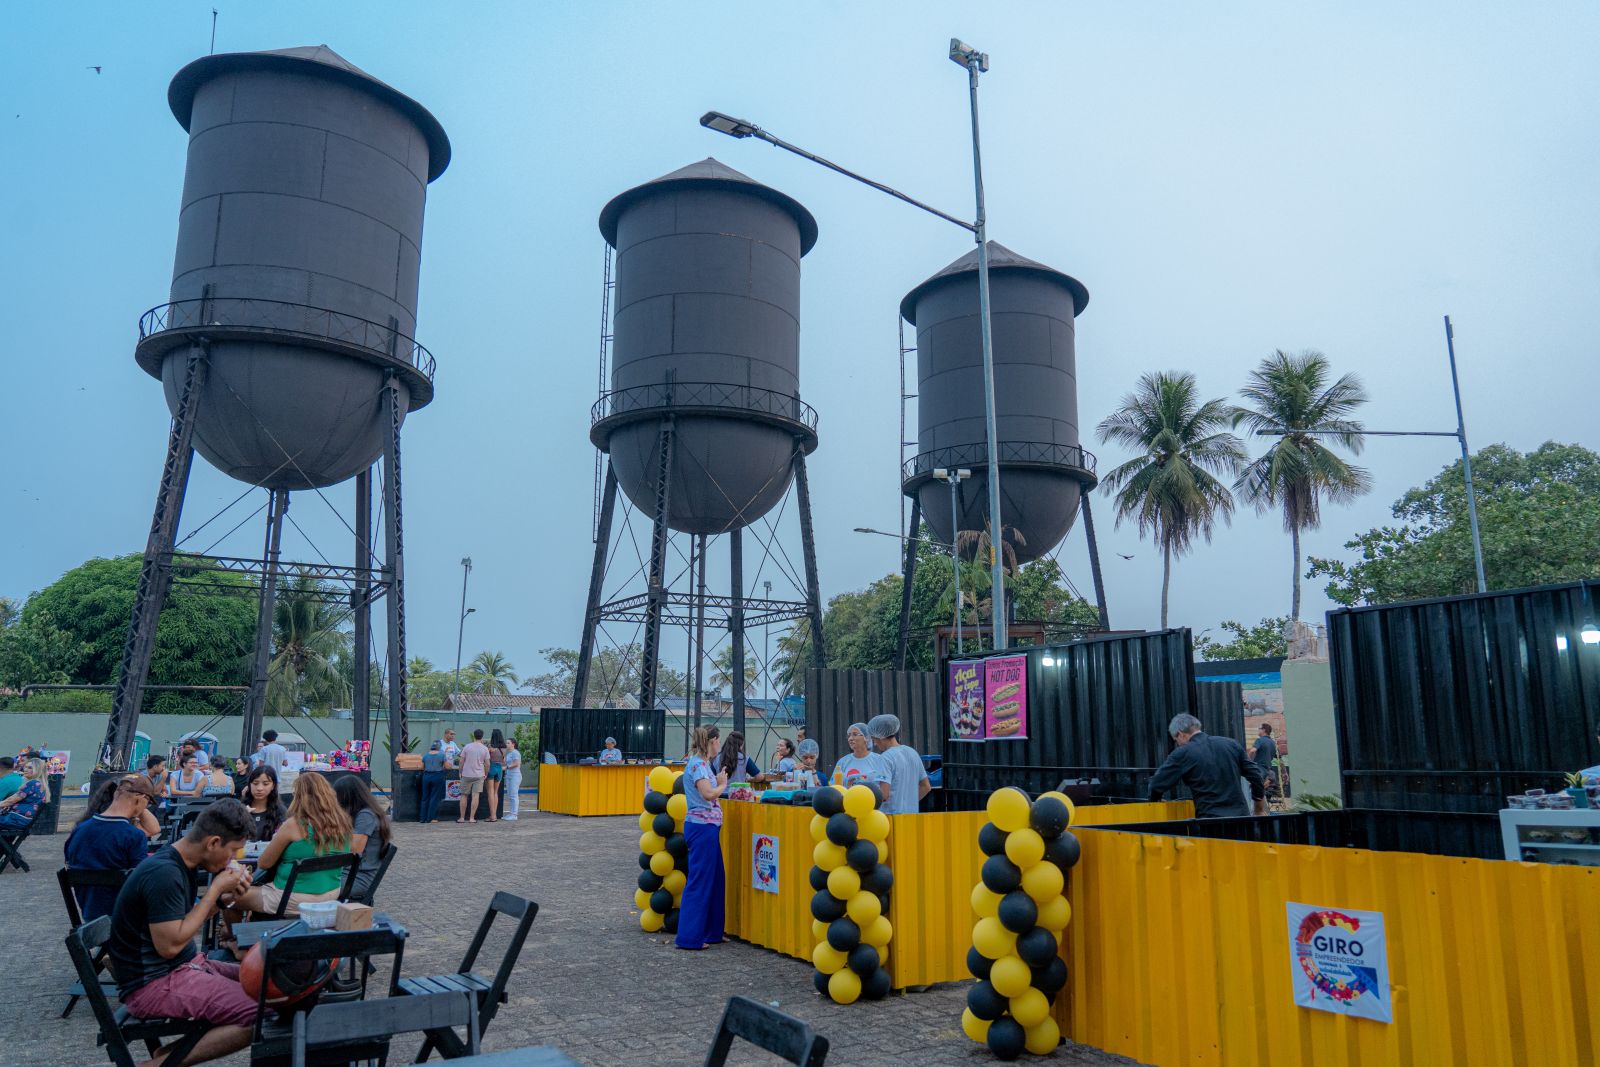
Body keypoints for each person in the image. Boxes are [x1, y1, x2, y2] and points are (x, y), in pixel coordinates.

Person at [107, 799, 258, 1065]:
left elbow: (182, 925)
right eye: (232, 851)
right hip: (154, 984)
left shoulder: (180, 863)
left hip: (183, 968)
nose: (232, 859)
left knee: (270, 984)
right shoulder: (164, 873)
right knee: (259, 1012)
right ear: (212, 843)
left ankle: (168, 1056)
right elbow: (170, 946)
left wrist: (223, 900)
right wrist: (214, 891)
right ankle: (160, 1065)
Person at [233, 772, 352, 918]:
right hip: (332, 895)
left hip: (293, 897)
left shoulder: (294, 825)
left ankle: (232, 937)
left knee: (229, 896)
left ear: (299, 797)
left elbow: (264, 863)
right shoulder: (343, 824)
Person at [64, 775, 162, 921]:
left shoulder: (79, 830)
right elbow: (141, 883)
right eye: (147, 802)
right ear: (140, 798)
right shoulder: (133, 836)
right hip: (125, 920)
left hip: (90, 918)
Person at [1148, 713, 1267, 819]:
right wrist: (1259, 809)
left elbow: (1156, 784)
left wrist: (1155, 799)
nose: (1178, 744)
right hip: (1241, 818)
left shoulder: (1182, 753)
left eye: (1176, 740)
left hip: (1210, 822)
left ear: (1180, 734)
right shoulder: (1231, 744)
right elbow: (1256, 776)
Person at [676, 726, 729, 950]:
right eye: (719, 742)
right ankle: (689, 938)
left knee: (716, 880)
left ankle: (712, 931)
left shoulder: (702, 763)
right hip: (702, 828)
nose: (720, 746)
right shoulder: (698, 764)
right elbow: (707, 793)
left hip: (708, 828)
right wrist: (722, 784)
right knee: (700, 881)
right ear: (713, 741)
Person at [333, 776, 392, 902]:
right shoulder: (363, 814)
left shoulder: (365, 815)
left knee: (313, 888)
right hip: (350, 874)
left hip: (358, 878)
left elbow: (355, 850)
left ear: (347, 797)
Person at [867, 714, 931, 815]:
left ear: (881, 737)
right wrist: (909, 804)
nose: (874, 744)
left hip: (891, 818)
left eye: (874, 739)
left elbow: (883, 795)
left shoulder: (886, 758)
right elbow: (926, 786)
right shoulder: (912, 752)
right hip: (912, 816)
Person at [831, 723, 890, 803]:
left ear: (867, 738)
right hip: (849, 806)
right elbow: (834, 788)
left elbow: (885, 790)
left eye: (855, 734)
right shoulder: (843, 762)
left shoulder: (879, 760)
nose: (850, 739)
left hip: (873, 808)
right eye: (849, 735)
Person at [0, 757, 51, 830]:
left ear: (38, 770)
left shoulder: (32, 784)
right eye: (25, 767)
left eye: (30, 768)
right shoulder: (41, 784)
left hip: (15, 819)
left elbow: (10, 801)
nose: (25, 770)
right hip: (23, 820)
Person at [240, 765, 285, 842]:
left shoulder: (280, 812)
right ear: (249, 785)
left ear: (273, 786)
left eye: (265, 784)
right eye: (255, 783)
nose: (259, 788)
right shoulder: (240, 809)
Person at [457, 729, 491, 825]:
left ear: (474, 735)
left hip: (466, 774)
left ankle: (462, 818)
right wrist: (486, 773)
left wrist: (460, 771)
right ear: (482, 736)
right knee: (475, 796)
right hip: (479, 775)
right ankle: (472, 818)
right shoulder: (485, 749)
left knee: (464, 795)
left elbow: (461, 761)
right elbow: (487, 763)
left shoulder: (467, 747)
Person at [418, 740, 451, 824]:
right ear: (439, 747)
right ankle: (431, 818)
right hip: (437, 776)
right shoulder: (442, 755)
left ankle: (422, 818)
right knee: (434, 798)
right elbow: (447, 767)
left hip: (426, 777)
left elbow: (421, 767)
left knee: (425, 797)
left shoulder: (425, 755)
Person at [485, 728, 505, 822]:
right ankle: (495, 815)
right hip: (499, 769)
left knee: (490, 793)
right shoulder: (504, 748)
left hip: (491, 768)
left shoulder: (491, 747)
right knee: (495, 793)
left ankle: (492, 816)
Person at [502, 737, 523, 821]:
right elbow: (504, 762)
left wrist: (506, 767)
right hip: (509, 775)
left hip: (515, 775)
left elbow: (516, 763)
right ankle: (511, 813)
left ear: (513, 744)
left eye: (508, 743)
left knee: (514, 795)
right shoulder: (508, 753)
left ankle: (514, 814)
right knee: (510, 795)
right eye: (506, 743)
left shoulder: (515, 752)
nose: (506, 744)